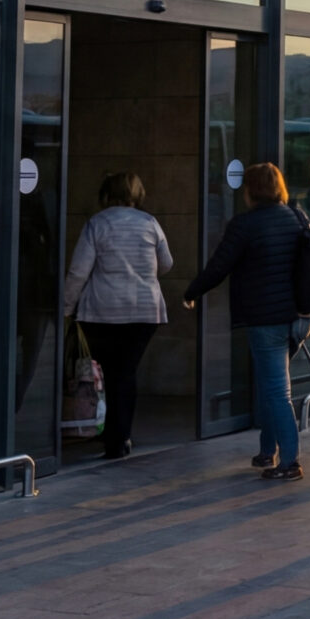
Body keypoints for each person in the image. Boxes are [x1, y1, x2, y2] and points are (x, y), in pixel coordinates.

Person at [183, 162, 309, 480]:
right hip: (299, 318)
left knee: (277, 391)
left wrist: (192, 291)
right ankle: (268, 452)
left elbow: (218, 266)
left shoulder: (245, 224)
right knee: (272, 385)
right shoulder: (296, 217)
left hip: (266, 320)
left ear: (250, 190)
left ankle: (290, 462)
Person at [62, 171, 174, 459]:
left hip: (102, 310)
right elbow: (167, 263)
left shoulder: (97, 224)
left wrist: (65, 307)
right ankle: (120, 436)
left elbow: (78, 272)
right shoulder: (150, 223)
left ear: (105, 194)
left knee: (113, 372)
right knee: (125, 372)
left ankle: (112, 436)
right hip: (144, 311)